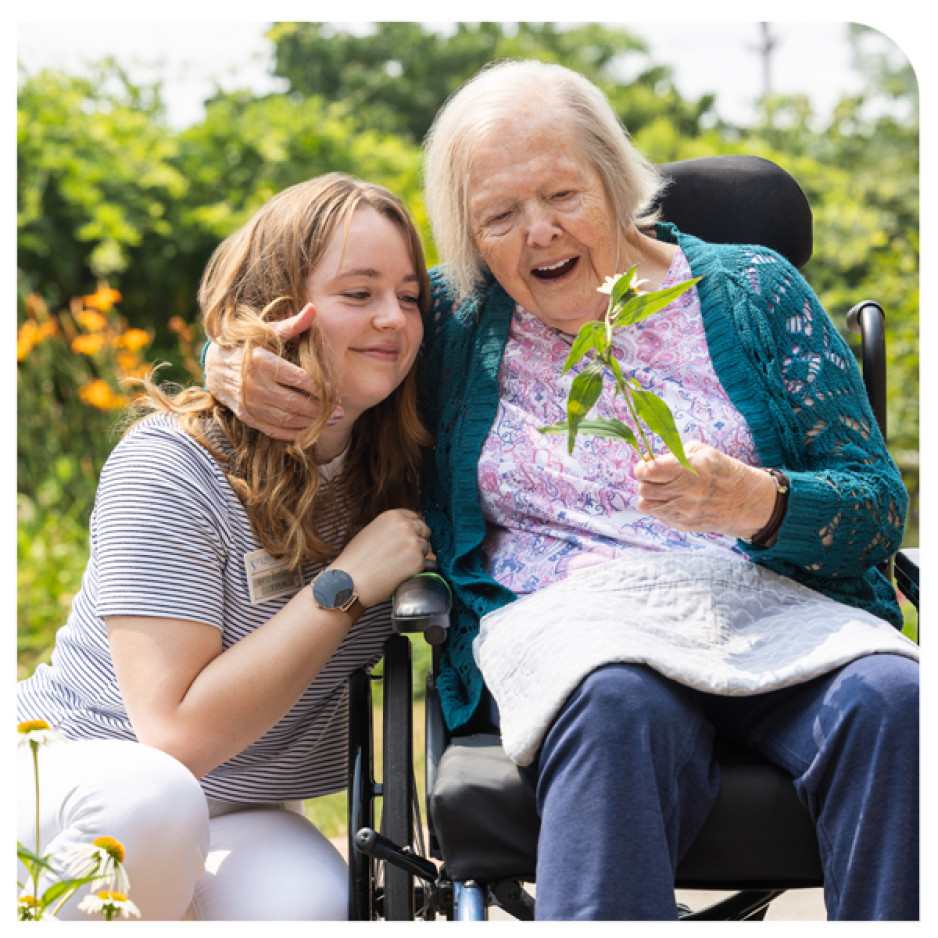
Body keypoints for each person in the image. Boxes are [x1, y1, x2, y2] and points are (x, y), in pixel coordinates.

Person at [203, 61, 919, 920]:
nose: (537, 233)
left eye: (562, 196)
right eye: (498, 216)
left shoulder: (758, 292)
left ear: (617, 182)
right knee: (617, 704)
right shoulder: (450, 320)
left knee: (897, 701)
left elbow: (876, 506)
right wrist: (233, 362)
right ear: (470, 238)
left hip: (780, 619)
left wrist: (757, 504)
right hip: (578, 632)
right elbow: (316, 318)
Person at [16, 173, 436, 921]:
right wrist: (342, 588)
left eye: (409, 297)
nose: (393, 320)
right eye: (358, 292)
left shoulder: (405, 461)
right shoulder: (171, 465)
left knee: (310, 909)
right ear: (281, 310)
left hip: (243, 807)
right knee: (153, 800)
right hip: (77, 778)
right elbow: (171, 738)